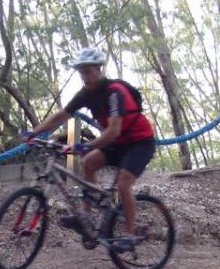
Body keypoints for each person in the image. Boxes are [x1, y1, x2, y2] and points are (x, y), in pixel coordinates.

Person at [26, 47, 155, 250]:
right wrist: (35, 132)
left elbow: (113, 131)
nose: (84, 76)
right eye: (81, 72)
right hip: (119, 142)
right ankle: (85, 216)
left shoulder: (114, 92)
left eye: (88, 71)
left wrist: (85, 146)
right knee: (87, 163)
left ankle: (129, 236)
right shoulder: (86, 94)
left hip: (140, 142)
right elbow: (62, 115)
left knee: (123, 184)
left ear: (98, 69)